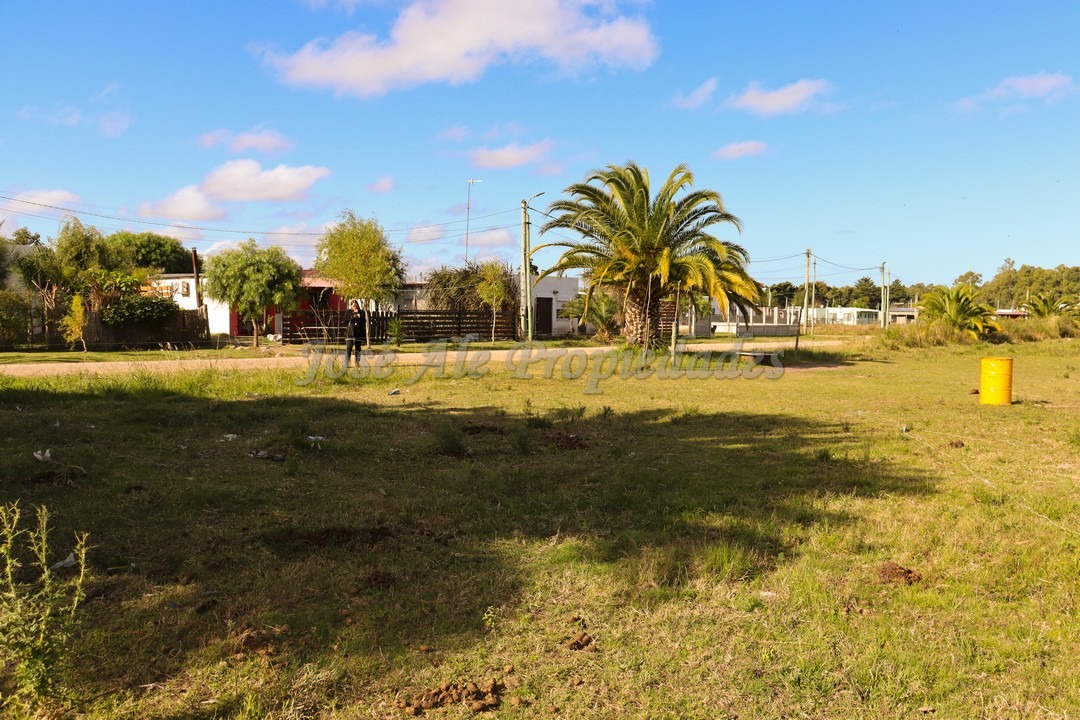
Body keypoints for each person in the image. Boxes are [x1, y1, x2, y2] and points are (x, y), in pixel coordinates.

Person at [345, 300, 367, 366]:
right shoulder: (348, 312)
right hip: (350, 332)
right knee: (349, 347)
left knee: (358, 348)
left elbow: (364, 321)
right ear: (351, 306)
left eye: (356, 305)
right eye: (353, 306)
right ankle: (347, 362)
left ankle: (357, 362)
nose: (355, 307)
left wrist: (359, 316)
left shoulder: (361, 312)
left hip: (358, 332)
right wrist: (352, 317)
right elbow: (345, 320)